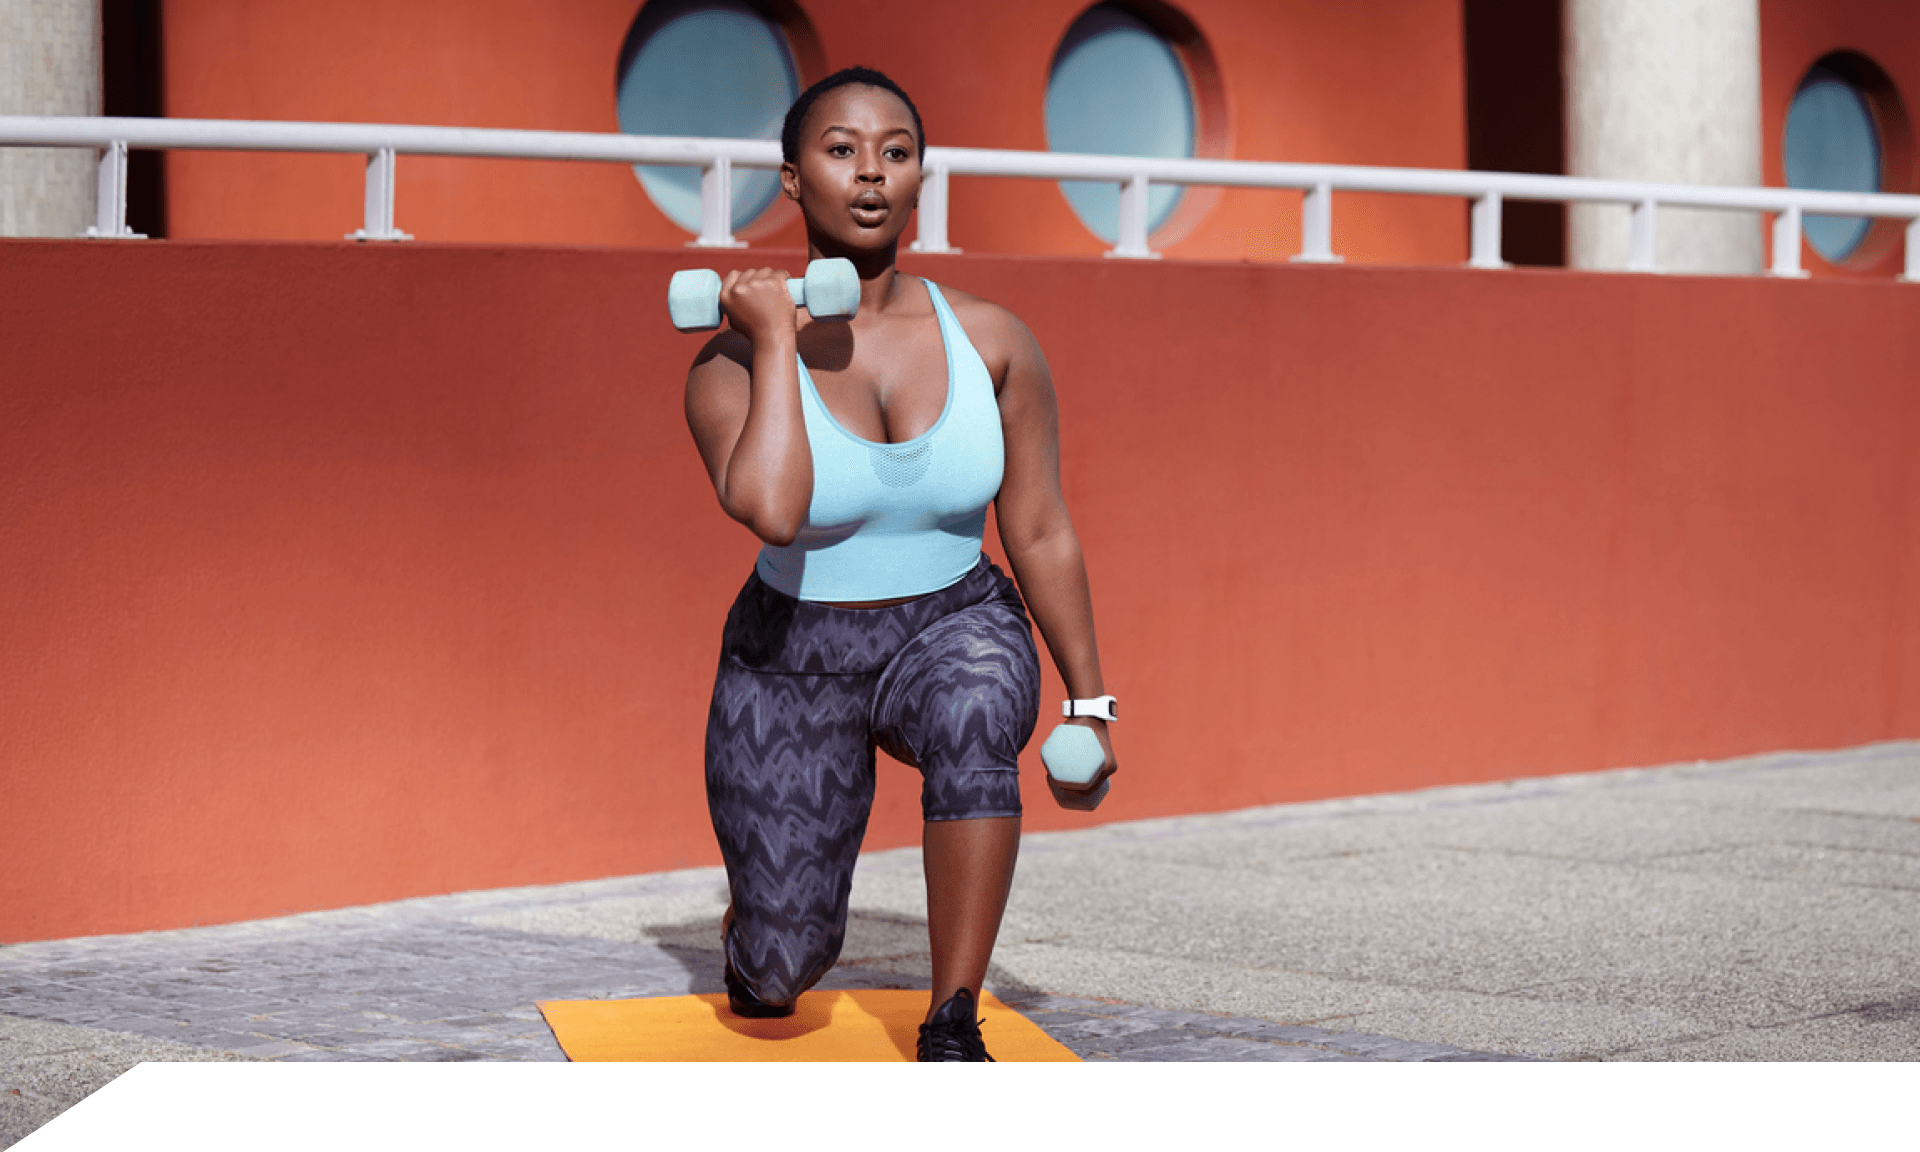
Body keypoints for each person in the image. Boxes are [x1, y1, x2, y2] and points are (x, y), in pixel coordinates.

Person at [683, 66, 1118, 1062]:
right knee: (779, 969)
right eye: (840, 151)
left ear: (921, 175)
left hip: (951, 620)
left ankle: (952, 1017)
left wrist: (1090, 702)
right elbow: (775, 511)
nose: (872, 174)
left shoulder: (994, 339)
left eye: (896, 151)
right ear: (792, 181)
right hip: (791, 652)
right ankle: (757, 944)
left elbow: (1041, 528)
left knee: (975, 714)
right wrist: (775, 346)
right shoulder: (727, 365)